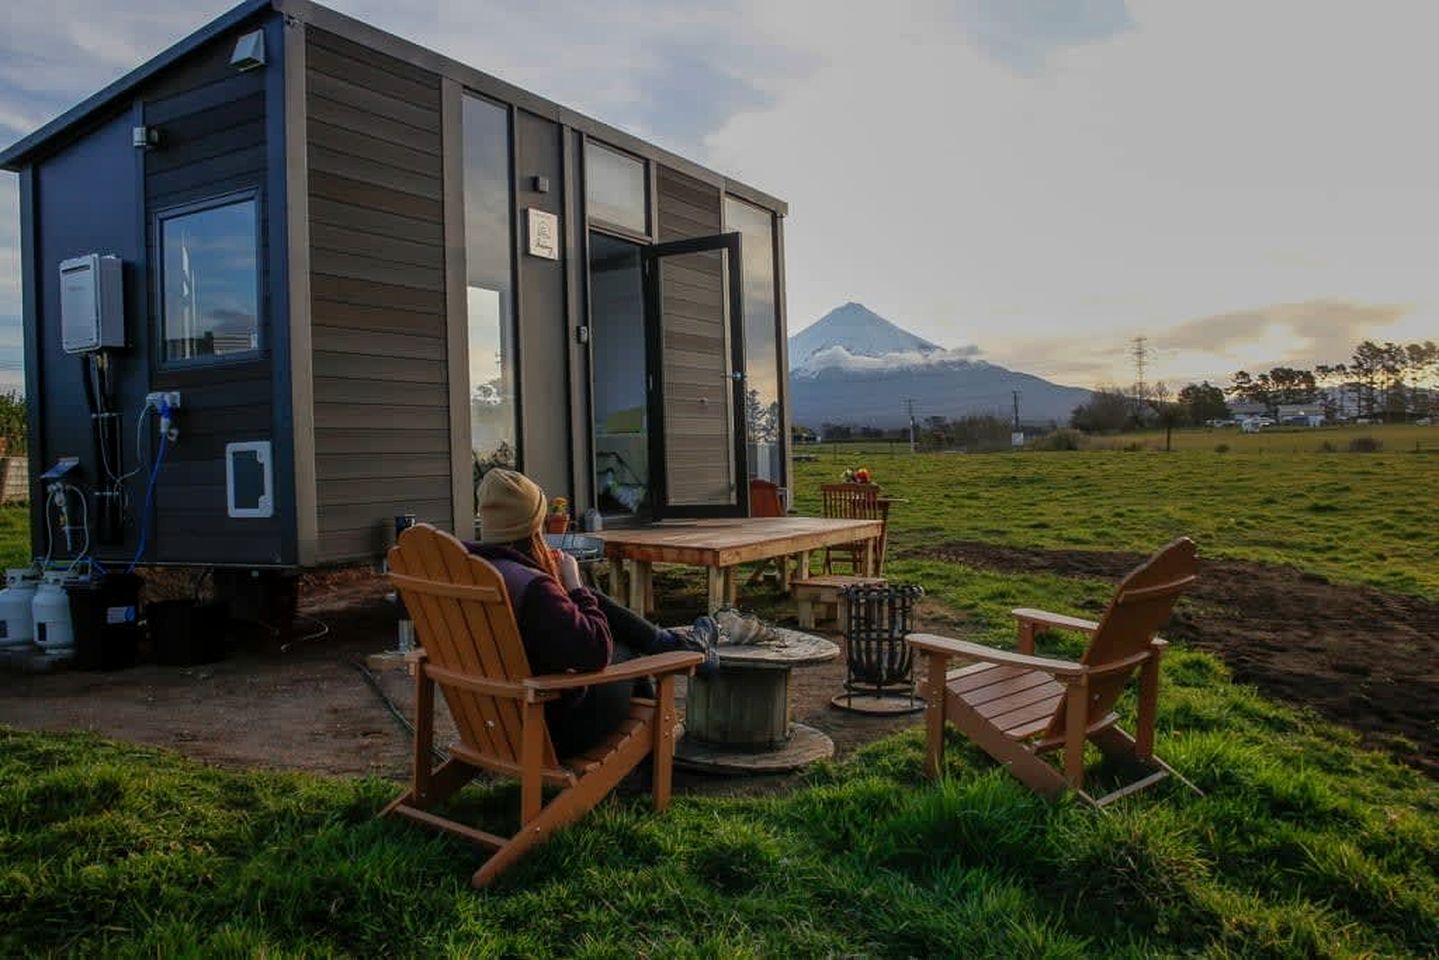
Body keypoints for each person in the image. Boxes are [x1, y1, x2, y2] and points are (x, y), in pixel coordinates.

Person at [465, 468, 719, 758]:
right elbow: (596, 648)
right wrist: (574, 583)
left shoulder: (469, 572)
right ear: (534, 524)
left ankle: (671, 645)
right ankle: (659, 750)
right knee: (625, 649)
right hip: (552, 726)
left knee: (605, 619)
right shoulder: (532, 588)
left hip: (491, 722)